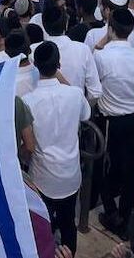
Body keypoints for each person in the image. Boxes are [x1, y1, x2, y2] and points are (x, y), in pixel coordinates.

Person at [21, 41, 89, 254]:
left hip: (43, 176)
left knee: (43, 227)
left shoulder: (28, 100)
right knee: (69, 223)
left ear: (35, 65)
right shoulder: (74, 94)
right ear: (58, 64)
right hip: (70, 173)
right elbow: (86, 114)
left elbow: (28, 143)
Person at [92, 8, 134, 237]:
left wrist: (104, 38)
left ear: (110, 28)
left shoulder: (102, 55)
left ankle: (112, 212)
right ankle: (128, 215)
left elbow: (95, 79)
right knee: (129, 168)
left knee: (108, 166)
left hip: (111, 120)